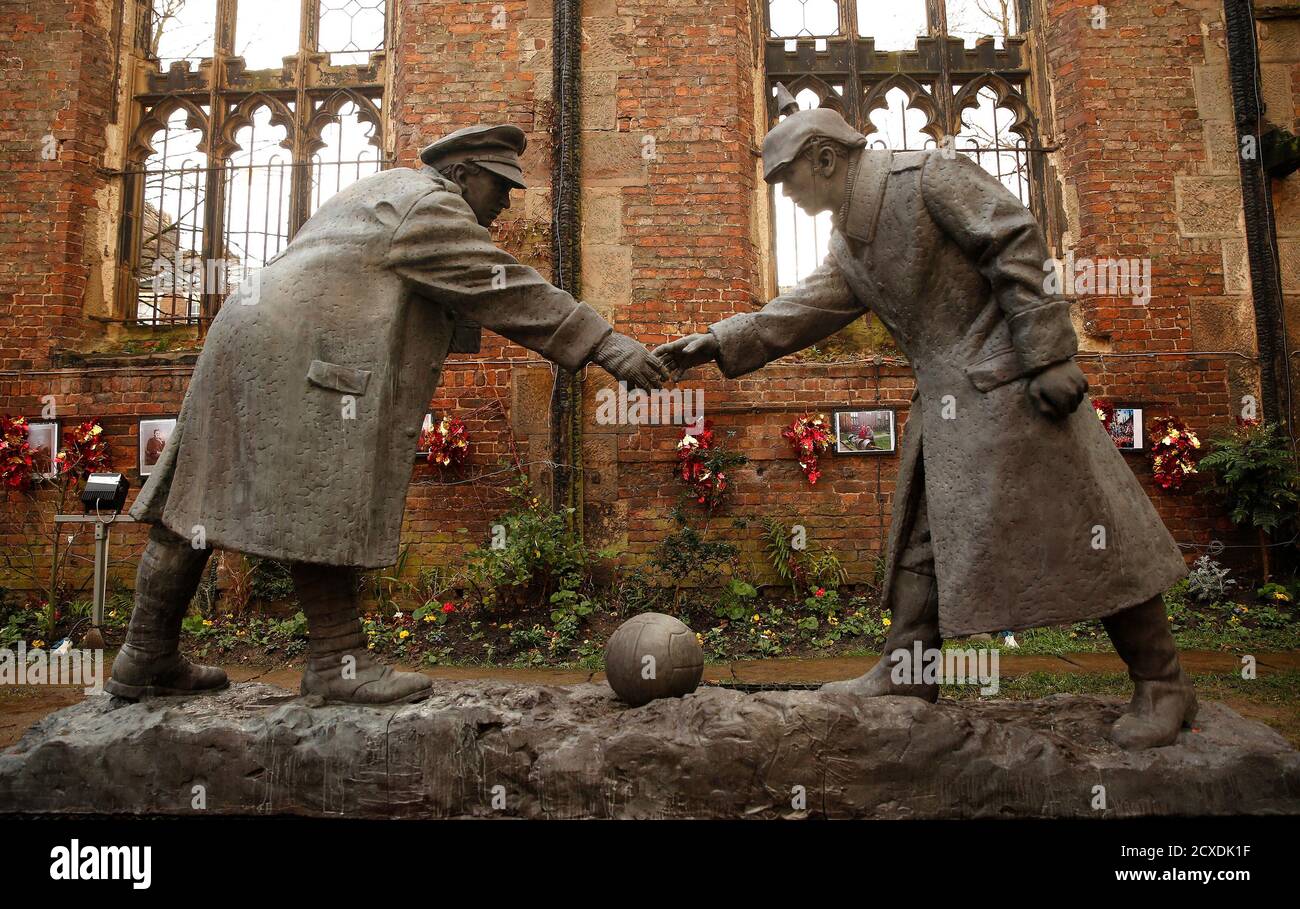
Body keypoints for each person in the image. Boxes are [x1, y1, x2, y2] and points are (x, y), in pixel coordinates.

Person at [655, 88, 1195, 749]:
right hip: (948, 400)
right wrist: (716, 339)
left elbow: (1014, 238)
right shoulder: (853, 243)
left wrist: (1048, 354)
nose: (784, 194)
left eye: (786, 179)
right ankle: (908, 670)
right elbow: (805, 309)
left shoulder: (928, 177)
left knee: (1094, 531)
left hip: (1015, 389)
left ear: (824, 159)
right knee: (921, 539)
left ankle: (1163, 682)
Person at [108, 123, 667, 706]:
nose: (504, 202)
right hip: (300, 353)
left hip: (248, 344)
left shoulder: (389, 191)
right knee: (321, 498)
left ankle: (145, 657)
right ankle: (336, 663)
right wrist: (607, 344)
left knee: (194, 502)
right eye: (498, 187)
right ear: (460, 175)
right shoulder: (430, 207)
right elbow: (507, 290)